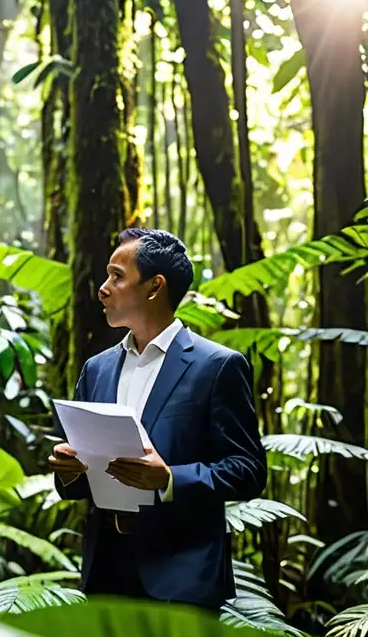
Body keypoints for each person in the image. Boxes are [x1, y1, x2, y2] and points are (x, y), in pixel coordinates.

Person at [48, 228, 267, 610]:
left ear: (154, 287)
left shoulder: (216, 367)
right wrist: (68, 470)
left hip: (183, 577)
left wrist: (168, 479)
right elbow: (78, 483)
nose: (103, 288)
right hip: (107, 574)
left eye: (117, 276)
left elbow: (247, 470)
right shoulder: (96, 369)